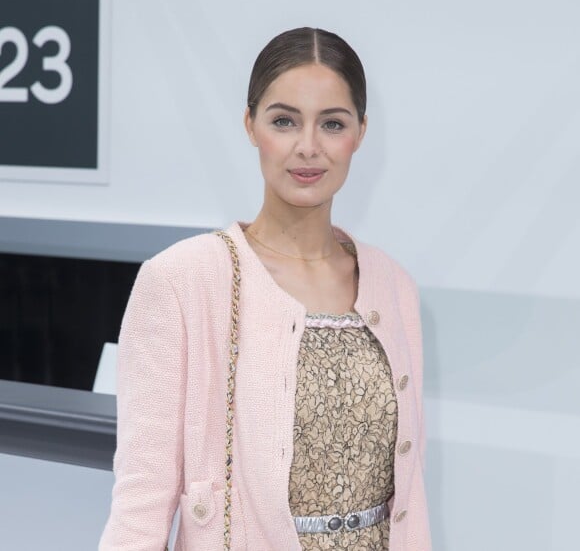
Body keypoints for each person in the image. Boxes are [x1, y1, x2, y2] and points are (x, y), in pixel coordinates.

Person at [99, 27, 431, 551]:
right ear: (250, 124)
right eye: (284, 120)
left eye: (332, 123)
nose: (308, 147)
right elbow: (142, 498)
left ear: (361, 133)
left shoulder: (393, 286)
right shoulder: (184, 281)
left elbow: (409, 490)